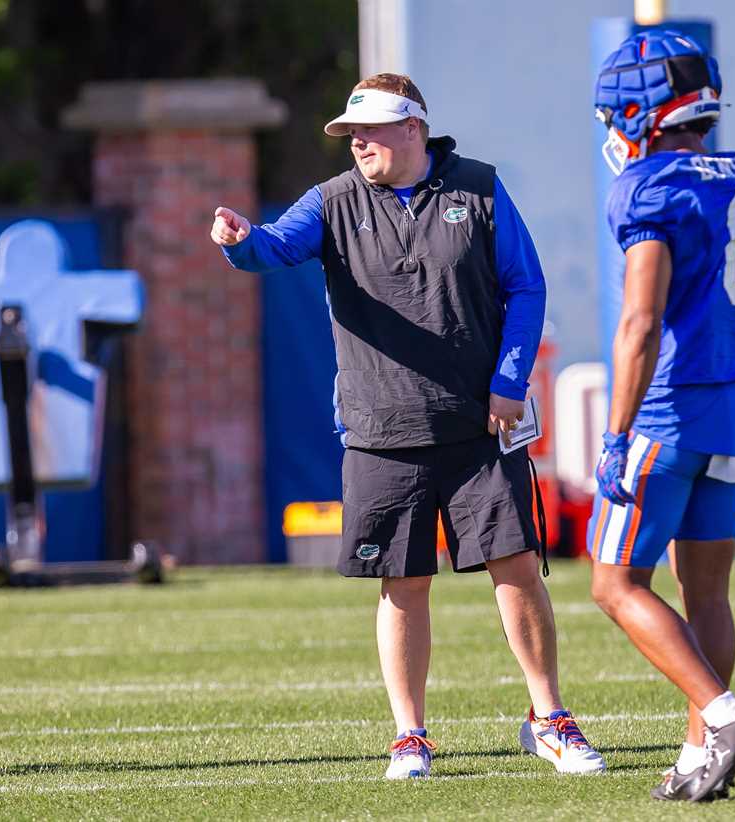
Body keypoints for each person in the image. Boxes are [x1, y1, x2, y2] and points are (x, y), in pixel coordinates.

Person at [212, 73, 604, 779]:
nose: (357, 142)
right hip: (379, 427)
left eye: (371, 130)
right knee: (402, 582)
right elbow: (271, 248)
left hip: (479, 425)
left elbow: (526, 285)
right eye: (349, 133)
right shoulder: (332, 201)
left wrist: (509, 383)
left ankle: (549, 718)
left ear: (414, 129)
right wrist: (240, 241)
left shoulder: (479, 189)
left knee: (516, 571)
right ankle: (410, 736)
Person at [588, 31, 735, 802]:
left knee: (614, 583)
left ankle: (725, 716)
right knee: (707, 592)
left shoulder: (650, 186)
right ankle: (702, 755)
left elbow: (640, 320)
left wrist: (614, 431)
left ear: (643, 109)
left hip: (669, 409)